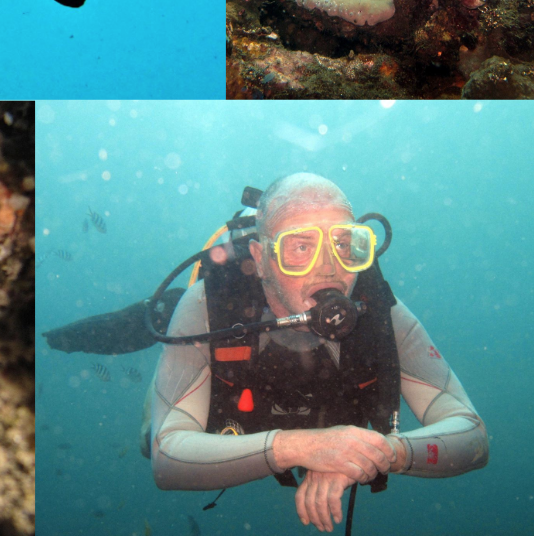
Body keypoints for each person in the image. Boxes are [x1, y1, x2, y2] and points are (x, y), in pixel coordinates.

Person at [148, 174, 487, 533]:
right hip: (219, 380)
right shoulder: (208, 306)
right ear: (262, 259)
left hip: (317, 437)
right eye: (301, 247)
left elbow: (473, 436)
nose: (329, 268)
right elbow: (167, 458)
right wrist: (302, 447)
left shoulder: (379, 313)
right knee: (148, 427)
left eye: (344, 243)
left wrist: (377, 452)